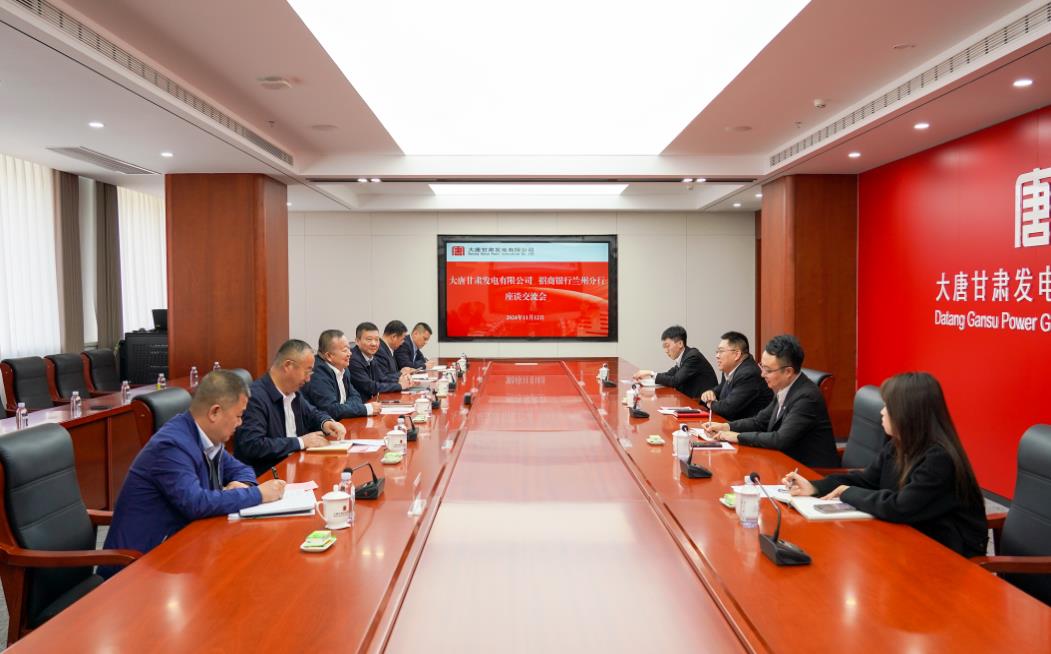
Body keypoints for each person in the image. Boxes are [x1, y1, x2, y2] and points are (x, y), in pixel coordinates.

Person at [100, 371, 286, 577]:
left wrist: (242, 484)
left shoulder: (207, 438)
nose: (240, 423)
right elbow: (195, 503)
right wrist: (257, 494)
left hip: (182, 550)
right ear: (214, 412)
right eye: (238, 416)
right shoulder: (172, 446)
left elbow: (242, 469)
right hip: (139, 566)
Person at [782, 372, 988, 558]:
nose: (882, 412)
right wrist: (815, 486)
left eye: (888, 406)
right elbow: (866, 480)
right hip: (911, 539)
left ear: (908, 413)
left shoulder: (938, 459)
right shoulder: (899, 444)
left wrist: (846, 492)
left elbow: (900, 507)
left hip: (949, 554)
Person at [704, 334, 839, 468]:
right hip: (784, 464)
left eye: (768, 370)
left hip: (811, 472)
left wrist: (737, 437)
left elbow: (780, 439)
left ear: (788, 372)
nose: (762, 374)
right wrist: (725, 427)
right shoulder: (785, 388)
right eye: (762, 367)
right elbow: (759, 421)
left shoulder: (806, 398)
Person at [234, 339, 347, 475]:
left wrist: (326, 422)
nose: (308, 379)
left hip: (296, 466)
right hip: (268, 477)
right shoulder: (255, 398)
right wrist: (300, 442)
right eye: (307, 372)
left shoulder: (293, 393)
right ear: (288, 366)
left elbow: (312, 413)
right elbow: (253, 445)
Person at [302, 329, 381, 419]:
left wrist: (344, 408)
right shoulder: (317, 374)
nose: (350, 353)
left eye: (349, 349)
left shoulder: (343, 368)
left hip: (343, 422)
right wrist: (365, 409)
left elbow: (355, 396)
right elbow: (331, 410)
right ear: (329, 356)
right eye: (345, 350)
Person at [700, 331, 772, 420]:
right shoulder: (730, 369)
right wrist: (710, 392)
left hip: (746, 426)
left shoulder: (749, 374)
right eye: (717, 352)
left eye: (721, 351)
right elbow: (721, 389)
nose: (717, 356)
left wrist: (709, 402)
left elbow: (727, 408)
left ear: (737, 354)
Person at [632, 325, 717, 398]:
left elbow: (675, 381)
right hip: (689, 400)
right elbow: (669, 374)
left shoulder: (692, 357)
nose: (666, 351)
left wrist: (650, 373)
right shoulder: (684, 356)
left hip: (702, 404)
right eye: (664, 347)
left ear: (680, 344)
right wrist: (648, 377)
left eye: (667, 346)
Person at [349, 321, 412, 399]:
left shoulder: (371, 357)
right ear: (357, 341)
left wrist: (402, 378)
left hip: (373, 401)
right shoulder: (353, 360)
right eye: (369, 339)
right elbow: (370, 387)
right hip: (362, 403)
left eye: (376, 339)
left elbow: (382, 378)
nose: (374, 343)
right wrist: (399, 386)